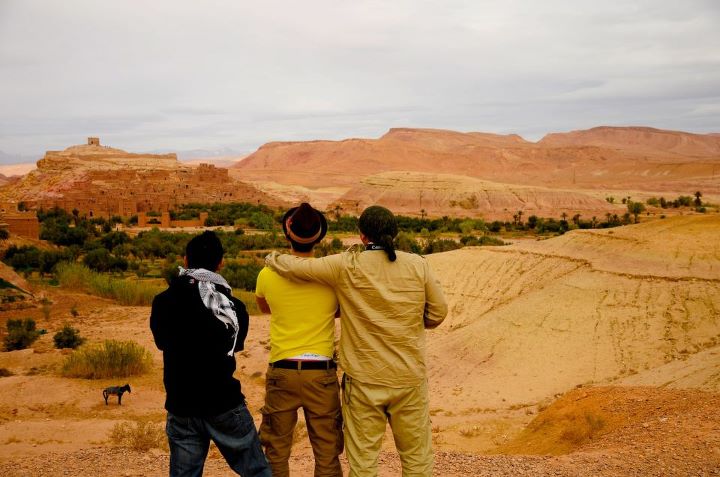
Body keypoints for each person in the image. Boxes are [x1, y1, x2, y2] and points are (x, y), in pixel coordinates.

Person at [265, 205, 448, 477]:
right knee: (417, 461)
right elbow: (438, 313)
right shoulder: (418, 265)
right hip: (409, 378)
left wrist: (272, 257)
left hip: (363, 381)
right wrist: (409, 322)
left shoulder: (346, 265)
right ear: (395, 233)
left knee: (363, 463)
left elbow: (298, 267)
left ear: (362, 236)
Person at [150, 231, 270, 477]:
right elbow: (234, 347)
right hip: (224, 402)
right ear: (220, 263)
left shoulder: (163, 301)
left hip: (182, 404)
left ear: (185, 260)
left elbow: (162, 343)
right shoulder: (234, 308)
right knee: (257, 472)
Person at [255, 202, 343, 477]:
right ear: (319, 237)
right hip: (321, 374)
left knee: (276, 451)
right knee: (327, 452)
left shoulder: (267, 274)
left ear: (288, 234)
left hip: (282, 370)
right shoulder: (332, 277)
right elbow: (339, 311)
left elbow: (265, 307)